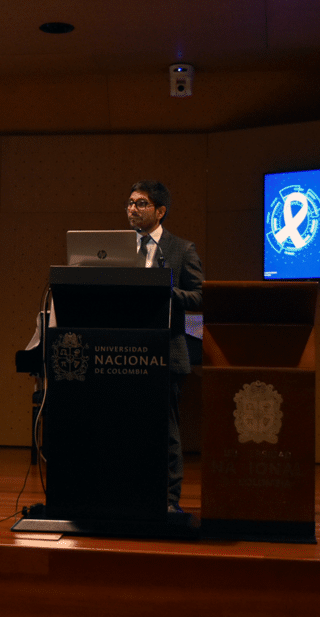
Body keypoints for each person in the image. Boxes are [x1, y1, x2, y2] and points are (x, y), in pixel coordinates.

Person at [126, 180, 204, 513]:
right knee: (129, 429)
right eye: (129, 202)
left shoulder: (181, 249)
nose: (132, 209)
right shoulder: (118, 248)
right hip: (125, 352)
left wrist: (166, 291)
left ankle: (170, 501)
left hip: (167, 352)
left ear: (160, 211)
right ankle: (130, 493)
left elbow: (201, 296)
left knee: (167, 431)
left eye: (141, 203)